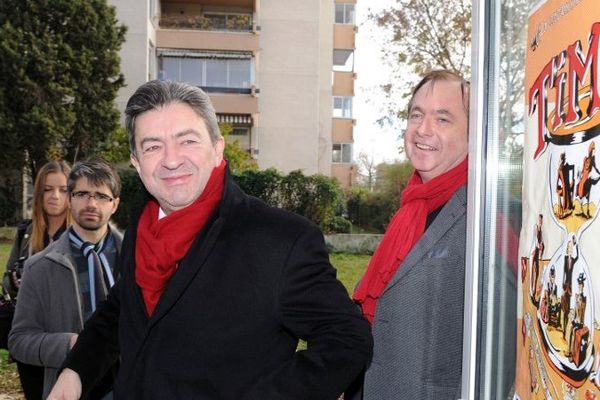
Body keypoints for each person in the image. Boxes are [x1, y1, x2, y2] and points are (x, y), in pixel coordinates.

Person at [48, 80, 372, 400]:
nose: (171, 160)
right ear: (136, 162)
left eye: (186, 141)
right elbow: (121, 310)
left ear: (217, 149)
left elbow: (347, 339)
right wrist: (77, 370)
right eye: (152, 146)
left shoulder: (279, 240)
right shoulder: (139, 232)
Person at [349, 70, 469, 399]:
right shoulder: (412, 206)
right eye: (416, 115)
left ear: (475, 133)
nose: (423, 129)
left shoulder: (486, 218)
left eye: (443, 119)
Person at [8, 158, 122, 399]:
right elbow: (19, 341)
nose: (91, 203)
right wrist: (68, 344)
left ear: (115, 204)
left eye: (101, 196)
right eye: (82, 194)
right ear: (70, 199)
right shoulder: (38, 267)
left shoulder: (139, 261)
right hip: (69, 389)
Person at [2, 160, 72, 400]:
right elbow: (7, 276)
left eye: (63, 190)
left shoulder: (80, 237)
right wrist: (14, 282)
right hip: (30, 341)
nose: (55, 196)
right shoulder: (26, 233)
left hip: (65, 339)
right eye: (47, 189)